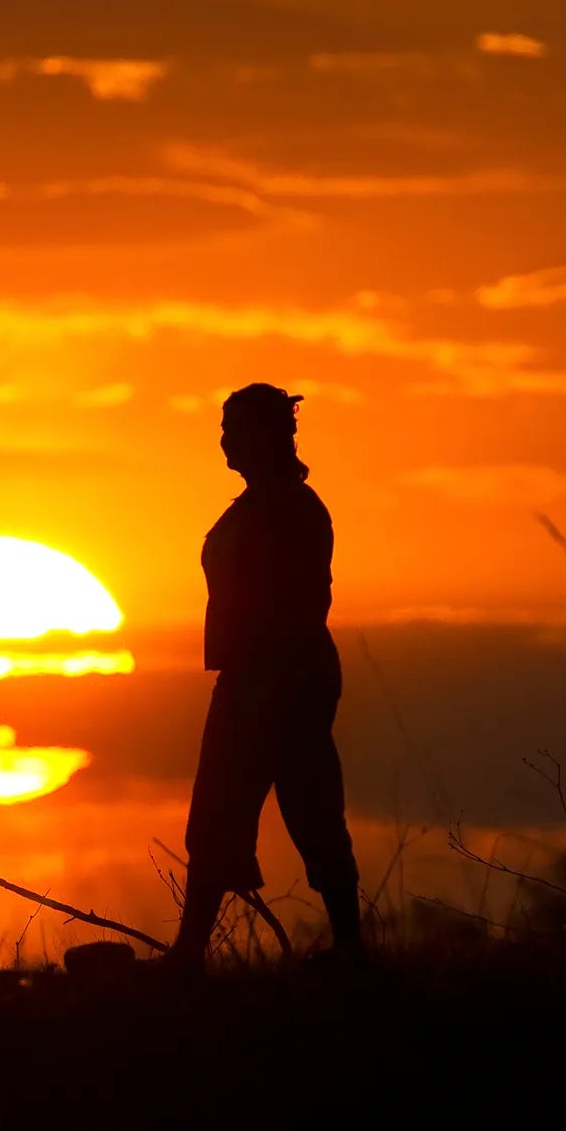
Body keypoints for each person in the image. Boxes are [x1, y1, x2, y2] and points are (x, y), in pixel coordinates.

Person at [165, 383, 366, 971]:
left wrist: (271, 685)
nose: (225, 440)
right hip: (256, 675)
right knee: (240, 811)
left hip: (278, 677)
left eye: (235, 428)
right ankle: (192, 952)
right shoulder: (257, 505)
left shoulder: (291, 509)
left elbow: (301, 602)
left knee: (296, 809)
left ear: (269, 436)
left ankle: (192, 955)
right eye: (223, 428)